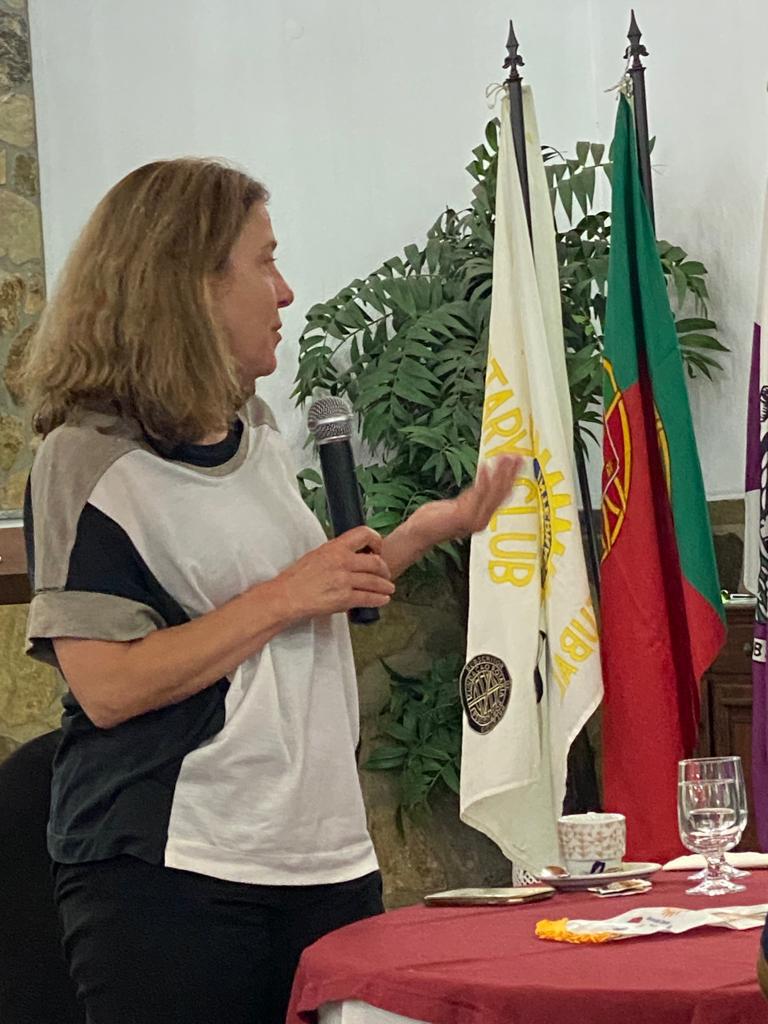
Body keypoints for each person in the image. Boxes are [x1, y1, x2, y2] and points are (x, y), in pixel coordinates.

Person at [20, 158, 519, 1024]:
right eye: (265, 262)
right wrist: (289, 594)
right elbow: (107, 686)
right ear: (189, 285)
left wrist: (419, 534)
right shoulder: (86, 459)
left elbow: (291, 608)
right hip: (176, 869)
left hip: (322, 854)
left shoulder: (255, 430)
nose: (285, 292)